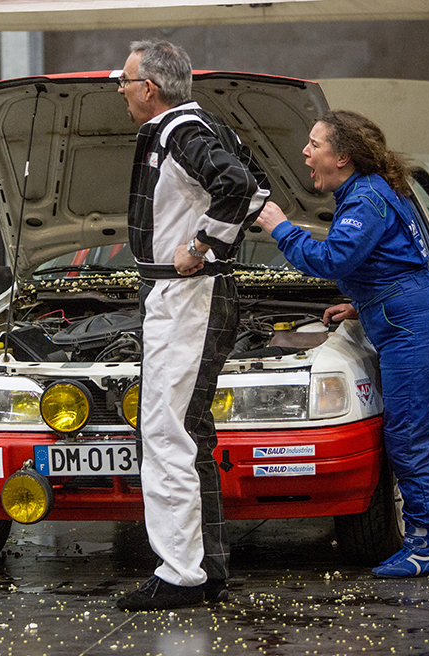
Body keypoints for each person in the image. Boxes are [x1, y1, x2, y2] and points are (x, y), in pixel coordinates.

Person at [254, 109, 429, 578]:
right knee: (421, 435)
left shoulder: (364, 201)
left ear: (342, 156)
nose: (305, 152)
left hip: (412, 328)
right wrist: (361, 304)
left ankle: (422, 548)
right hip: (413, 315)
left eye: (314, 144)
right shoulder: (371, 192)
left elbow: (332, 259)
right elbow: (396, 262)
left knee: (407, 438)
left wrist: (280, 226)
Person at [115, 40, 269, 611]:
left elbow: (239, 187)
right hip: (189, 295)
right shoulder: (203, 125)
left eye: (126, 82)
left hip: (187, 295)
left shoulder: (182, 132)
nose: (124, 92)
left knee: (165, 432)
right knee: (189, 431)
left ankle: (180, 573)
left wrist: (202, 243)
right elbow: (258, 185)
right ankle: (204, 566)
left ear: (147, 89)